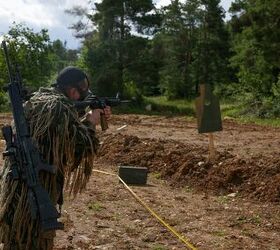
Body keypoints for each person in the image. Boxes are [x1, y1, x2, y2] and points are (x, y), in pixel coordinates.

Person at [0, 66, 110, 250]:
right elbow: (76, 148)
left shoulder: (41, 100)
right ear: (73, 90)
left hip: (18, 189)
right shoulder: (58, 107)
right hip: (33, 195)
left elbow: (60, 131)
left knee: (17, 240)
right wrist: (91, 122)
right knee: (34, 241)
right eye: (80, 91)